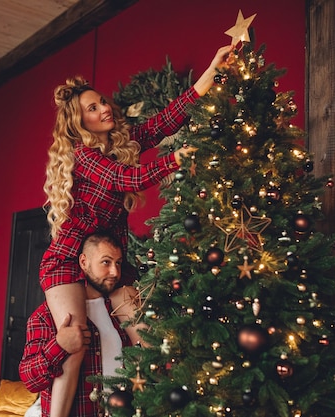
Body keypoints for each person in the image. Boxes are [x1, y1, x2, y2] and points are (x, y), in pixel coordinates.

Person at [41, 44, 235, 417]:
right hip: (67, 260)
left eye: (102, 102)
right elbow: (126, 178)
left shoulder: (120, 143)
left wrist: (212, 70)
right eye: (92, 109)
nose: (104, 109)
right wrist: (177, 158)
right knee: (75, 342)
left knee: (145, 334)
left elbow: (164, 121)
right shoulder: (85, 157)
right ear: (79, 124)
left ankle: (165, 408)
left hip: (111, 261)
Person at [20, 231, 134, 416]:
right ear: (84, 262)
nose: (114, 272)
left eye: (118, 263)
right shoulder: (46, 316)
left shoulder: (120, 312)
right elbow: (30, 381)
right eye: (106, 262)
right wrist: (59, 346)